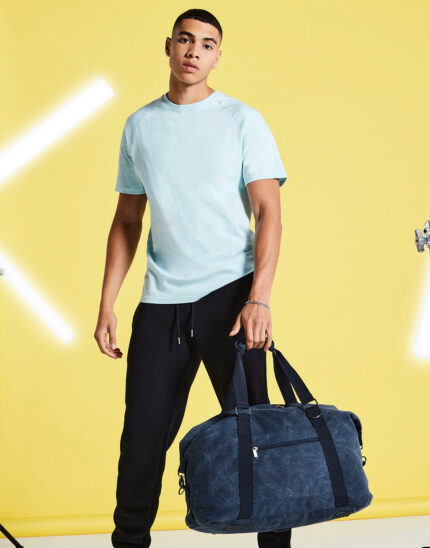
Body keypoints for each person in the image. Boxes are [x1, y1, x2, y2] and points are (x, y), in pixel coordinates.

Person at [94, 8, 292, 548]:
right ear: (169, 46)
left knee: (256, 436)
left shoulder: (242, 120)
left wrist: (260, 299)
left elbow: (269, 213)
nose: (194, 51)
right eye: (186, 40)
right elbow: (127, 220)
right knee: (140, 443)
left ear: (217, 56)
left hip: (232, 298)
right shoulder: (139, 125)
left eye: (206, 44)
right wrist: (108, 303)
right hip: (161, 305)